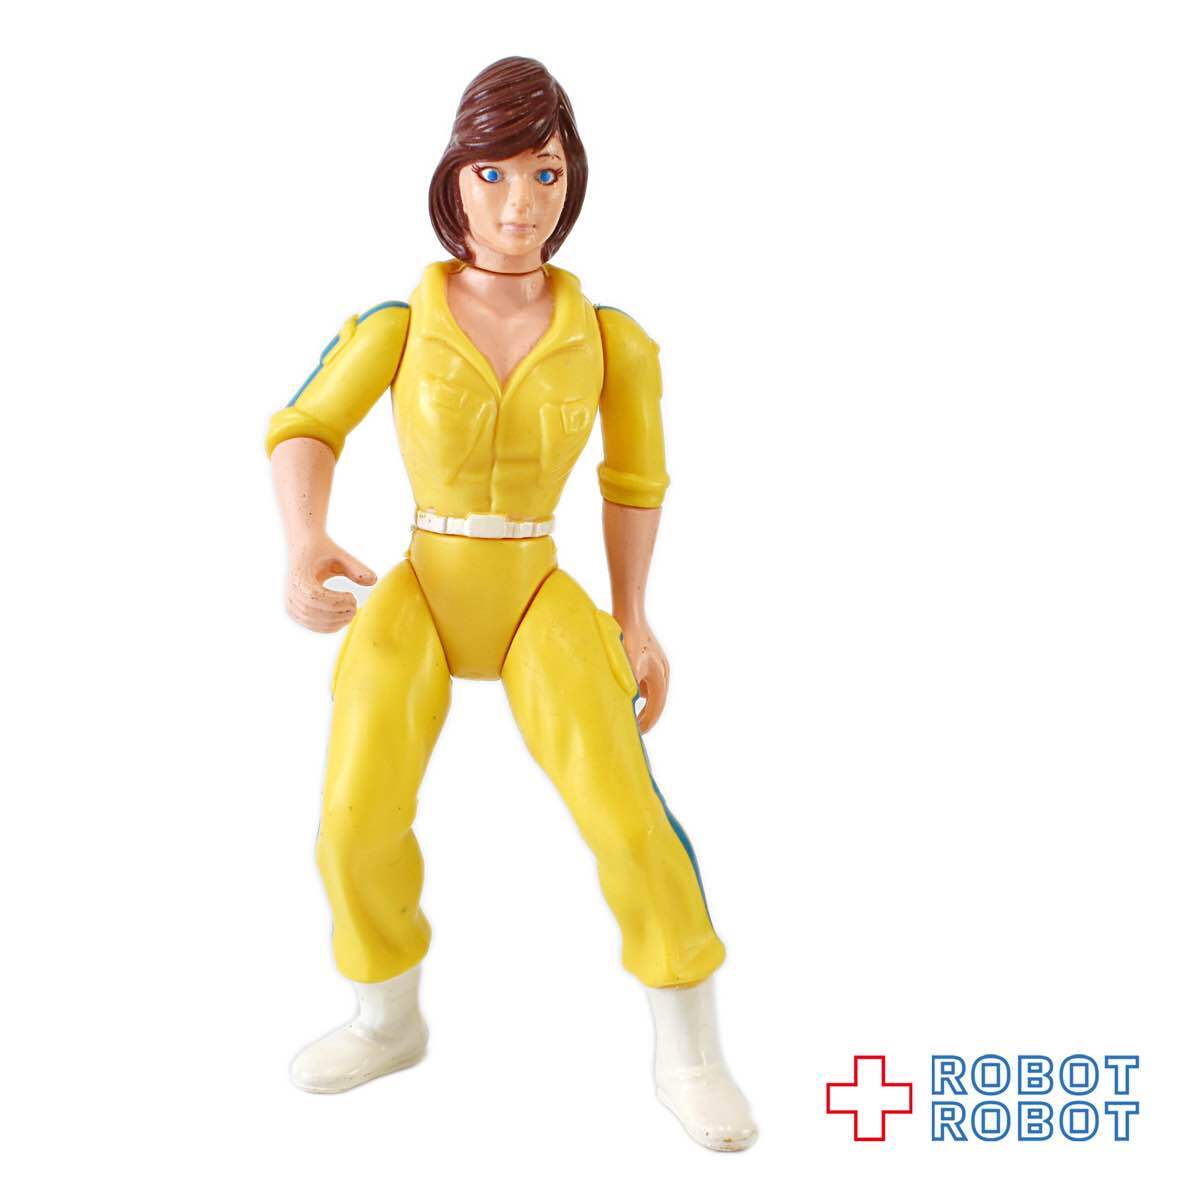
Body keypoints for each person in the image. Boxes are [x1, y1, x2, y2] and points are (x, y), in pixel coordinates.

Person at [266, 56, 756, 1152]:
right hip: (421, 585)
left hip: (537, 587)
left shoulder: (611, 337)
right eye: (492, 173)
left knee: (624, 809)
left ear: (572, 183)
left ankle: (690, 1048)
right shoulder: (400, 320)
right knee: (353, 811)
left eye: (544, 173)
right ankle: (386, 1017)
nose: (519, 203)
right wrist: (304, 542)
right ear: (454, 179)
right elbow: (306, 425)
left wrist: (634, 617)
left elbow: (634, 482)